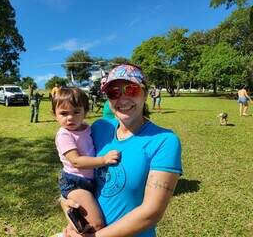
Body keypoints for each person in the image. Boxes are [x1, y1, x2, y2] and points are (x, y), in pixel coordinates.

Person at [62, 64, 182, 237]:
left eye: (131, 90)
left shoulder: (164, 141)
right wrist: (67, 206)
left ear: (145, 93)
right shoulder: (99, 128)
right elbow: (73, 173)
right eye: (113, 92)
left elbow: (151, 213)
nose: (122, 99)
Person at [52, 87, 120, 233]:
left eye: (76, 112)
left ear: (85, 112)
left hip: (90, 180)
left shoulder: (87, 128)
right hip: (74, 182)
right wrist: (104, 160)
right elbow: (76, 161)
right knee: (96, 225)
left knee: (84, 223)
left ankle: (69, 232)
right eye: (63, 113)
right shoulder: (64, 135)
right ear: (54, 115)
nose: (70, 118)